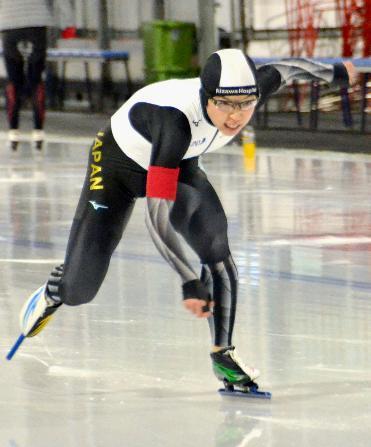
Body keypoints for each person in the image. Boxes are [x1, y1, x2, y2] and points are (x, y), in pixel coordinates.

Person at [15, 49, 356, 391]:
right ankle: (53, 292)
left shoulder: (251, 89)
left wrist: (335, 73)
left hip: (181, 163)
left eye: (245, 104)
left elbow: (288, 68)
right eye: (224, 105)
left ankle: (223, 355)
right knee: (80, 289)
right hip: (118, 167)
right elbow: (157, 218)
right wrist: (188, 279)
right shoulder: (175, 122)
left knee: (216, 247)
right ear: (207, 98)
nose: (236, 117)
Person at [0, 0, 75, 150]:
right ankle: (38, 132)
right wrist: (68, 24)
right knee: (36, 79)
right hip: (37, 23)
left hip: (9, 23)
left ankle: (13, 131)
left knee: (14, 82)